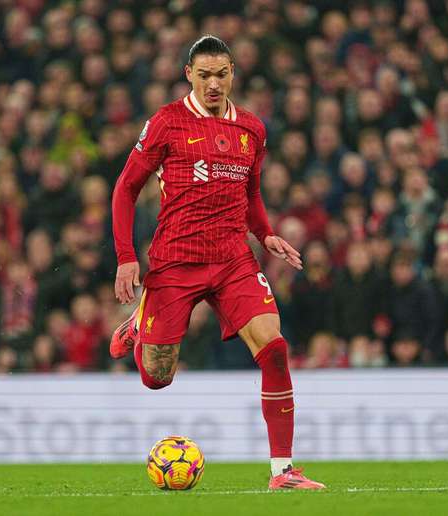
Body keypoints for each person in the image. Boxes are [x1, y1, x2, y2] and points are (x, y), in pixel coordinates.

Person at [109, 36, 324, 490]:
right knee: (157, 380)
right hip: (175, 262)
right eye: (203, 75)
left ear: (232, 74)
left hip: (232, 261)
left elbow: (251, 194)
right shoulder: (166, 123)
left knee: (276, 350)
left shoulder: (252, 129)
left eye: (221, 74)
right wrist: (127, 258)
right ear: (188, 73)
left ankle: (282, 471)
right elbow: (126, 188)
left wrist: (265, 234)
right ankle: (138, 325)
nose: (212, 84)